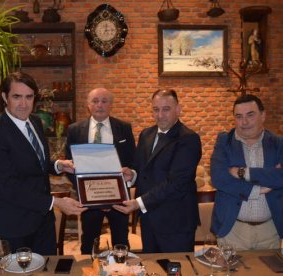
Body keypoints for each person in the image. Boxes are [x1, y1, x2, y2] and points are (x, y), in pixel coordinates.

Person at [0, 71, 87, 255]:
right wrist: (56, 202)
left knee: (47, 268)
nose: (23, 104)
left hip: (42, 219)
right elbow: (8, 186)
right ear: (5, 97)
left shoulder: (35, 121)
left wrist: (57, 165)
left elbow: (36, 161)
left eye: (29, 97)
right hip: (15, 223)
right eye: (17, 97)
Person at [113, 89, 202, 253]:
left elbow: (176, 183)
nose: (160, 115)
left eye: (166, 109)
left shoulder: (188, 139)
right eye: (156, 109)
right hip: (149, 219)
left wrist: (137, 203)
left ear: (178, 109)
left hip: (176, 222)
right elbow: (141, 169)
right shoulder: (146, 134)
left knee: (175, 269)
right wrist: (132, 175)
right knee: (153, 267)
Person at [65, 87, 135, 254]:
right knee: (89, 242)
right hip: (89, 198)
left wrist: (125, 180)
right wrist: (85, 192)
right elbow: (70, 165)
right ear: (88, 105)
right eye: (95, 101)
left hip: (119, 199)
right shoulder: (74, 129)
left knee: (121, 242)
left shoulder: (124, 128)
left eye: (104, 101)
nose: (99, 105)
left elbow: (133, 161)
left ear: (111, 105)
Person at [210, 94, 283, 250]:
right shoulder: (224, 142)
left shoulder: (278, 144)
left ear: (263, 116)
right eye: (239, 116)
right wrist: (259, 189)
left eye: (250, 115)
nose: (244, 122)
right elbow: (219, 178)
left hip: (270, 231)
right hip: (233, 231)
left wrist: (243, 173)